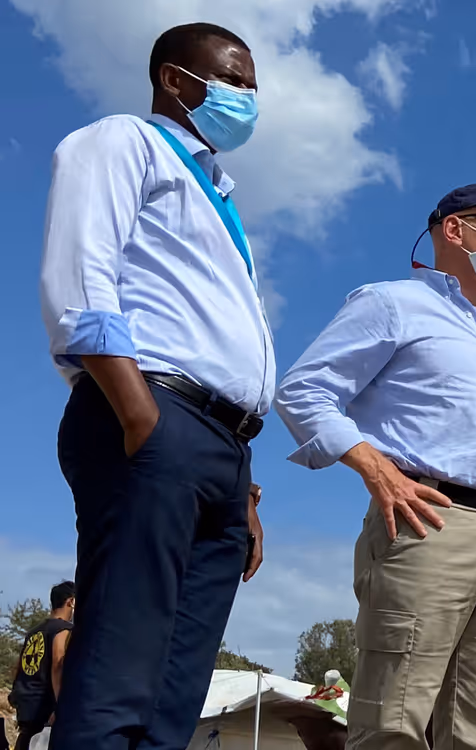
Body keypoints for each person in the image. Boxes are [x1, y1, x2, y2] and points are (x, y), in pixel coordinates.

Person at [38, 22, 271, 750]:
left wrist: (245, 485)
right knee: (119, 670)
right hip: (151, 415)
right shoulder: (122, 142)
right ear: (175, 79)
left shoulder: (218, 193)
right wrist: (140, 416)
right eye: (235, 80)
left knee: (178, 692)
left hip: (220, 449)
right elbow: (80, 275)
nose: (249, 97)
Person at [275, 184, 476, 750]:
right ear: (454, 229)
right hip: (427, 523)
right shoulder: (390, 302)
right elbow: (303, 391)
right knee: (394, 720)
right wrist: (375, 467)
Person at [8, 582, 76, 749]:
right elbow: (58, 664)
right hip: (45, 707)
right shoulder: (63, 629)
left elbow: (19, 666)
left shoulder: (33, 632)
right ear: (71, 602)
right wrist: (61, 705)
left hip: (26, 704)